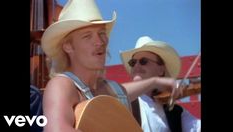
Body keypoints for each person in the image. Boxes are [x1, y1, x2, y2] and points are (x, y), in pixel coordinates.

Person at [41, 0, 178, 131]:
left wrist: (155, 81)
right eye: (87, 36)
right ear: (68, 46)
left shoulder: (114, 90)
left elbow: (124, 91)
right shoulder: (61, 86)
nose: (100, 42)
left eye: (101, 33)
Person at [120, 36, 201, 132]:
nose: (136, 65)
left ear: (161, 69)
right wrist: (155, 82)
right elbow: (113, 94)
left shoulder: (175, 112)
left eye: (143, 61)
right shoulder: (124, 102)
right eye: (132, 62)